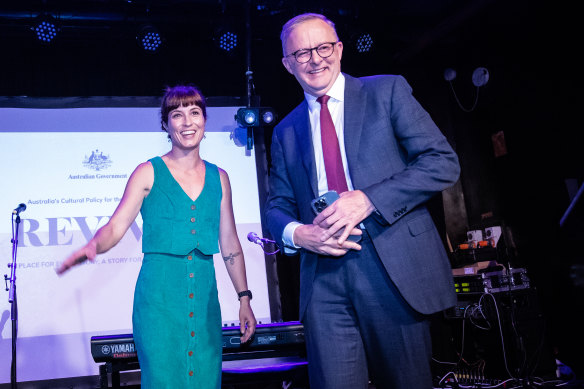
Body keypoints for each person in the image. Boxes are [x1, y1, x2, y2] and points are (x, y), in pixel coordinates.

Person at [264, 13, 460, 389]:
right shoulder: (285, 130)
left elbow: (442, 163)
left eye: (323, 47)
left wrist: (369, 200)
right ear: (288, 64)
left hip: (391, 266)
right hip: (323, 279)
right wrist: (299, 234)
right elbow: (276, 207)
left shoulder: (386, 91)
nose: (315, 59)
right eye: (301, 53)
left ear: (338, 49)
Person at [57, 85, 256, 389]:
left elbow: (230, 243)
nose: (187, 122)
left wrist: (244, 299)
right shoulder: (147, 172)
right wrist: (93, 246)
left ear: (205, 120)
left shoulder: (221, 177)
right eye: (177, 115)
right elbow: (116, 226)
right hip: (159, 303)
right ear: (166, 124)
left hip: (204, 302)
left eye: (194, 113)